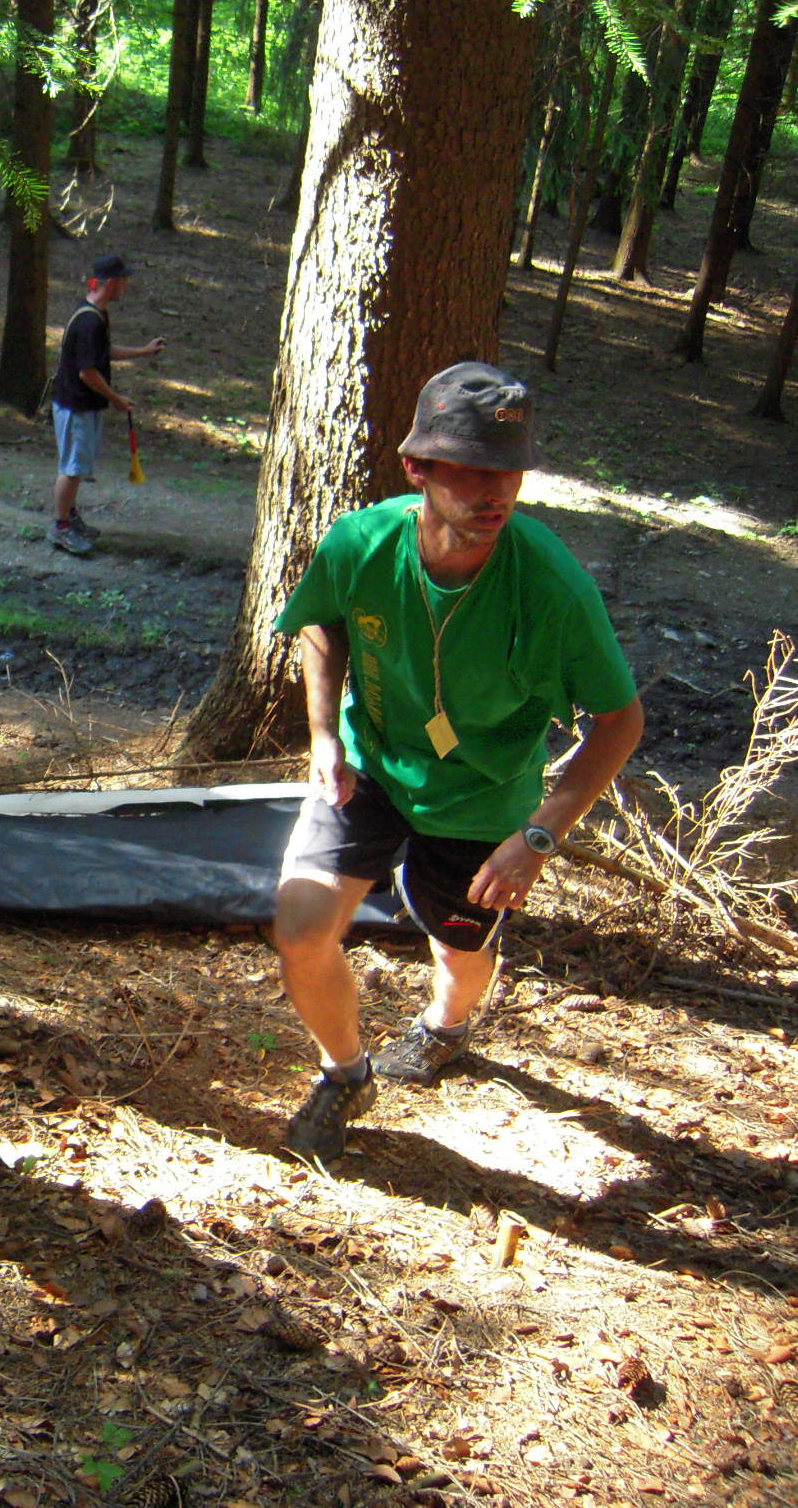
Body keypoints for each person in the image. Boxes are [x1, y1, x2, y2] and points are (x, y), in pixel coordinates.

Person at [269, 362, 643, 1163]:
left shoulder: (551, 585)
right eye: (471, 470)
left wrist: (538, 835)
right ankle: (345, 1075)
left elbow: (620, 720)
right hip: (370, 767)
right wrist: (324, 734)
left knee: (459, 952)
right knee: (301, 930)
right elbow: (322, 623)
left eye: (509, 471)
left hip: (483, 798)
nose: (493, 491)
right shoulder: (362, 543)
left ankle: (446, 1026)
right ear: (418, 468)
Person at [47, 252, 166, 555]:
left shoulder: (95, 313)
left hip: (83, 404)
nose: (126, 286)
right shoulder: (89, 321)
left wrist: (143, 351)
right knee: (72, 468)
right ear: (111, 283)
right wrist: (116, 399)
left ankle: (70, 516)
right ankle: (60, 527)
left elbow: (103, 352)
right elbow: (87, 372)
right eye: (124, 280)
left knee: (77, 466)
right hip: (75, 405)